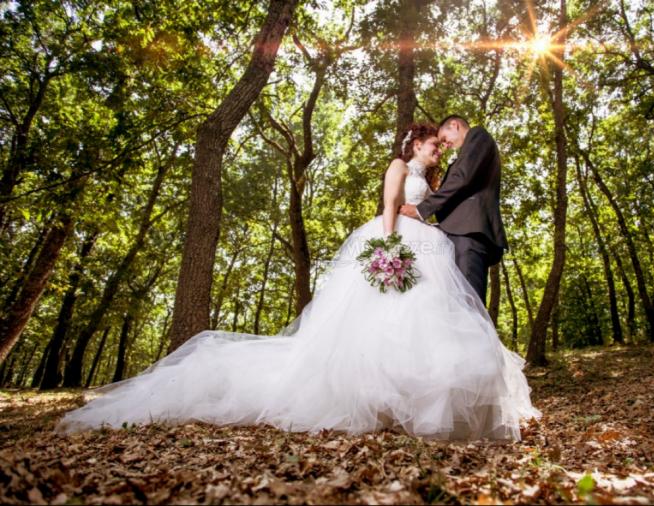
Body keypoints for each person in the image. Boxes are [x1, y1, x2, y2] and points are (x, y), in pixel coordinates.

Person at [56, 123, 540, 440]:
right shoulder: (399, 167)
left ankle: (414, 400)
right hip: (397, 243)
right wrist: (389, 248)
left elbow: (433, 207)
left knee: (422, 321)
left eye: (440, 144)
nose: (438, 149)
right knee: (383, 320)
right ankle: (374, 400)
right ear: (415, 144)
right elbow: (390, 207)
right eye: (433, 144)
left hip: (427, 248)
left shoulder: (435, 182)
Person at [400, 115, 507, 304]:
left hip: (469, 235)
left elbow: (463, 178)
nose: (445, 145)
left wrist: (420, 210)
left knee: (469, 305)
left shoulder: (478, 135)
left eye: (444, 139)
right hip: (457, 235)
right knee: (453, 306)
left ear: (454, 125)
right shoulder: (465, 152)